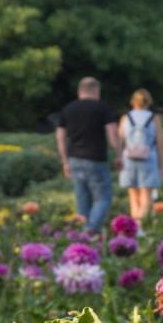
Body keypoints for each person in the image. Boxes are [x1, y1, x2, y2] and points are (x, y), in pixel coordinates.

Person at [56, 77, 121, 234]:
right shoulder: (102, 108)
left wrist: (65, 161)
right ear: (96, 90)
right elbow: (113, 134)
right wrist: (119, 154)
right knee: (103, 198)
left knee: (82, 202)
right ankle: (89, 231)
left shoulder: (68, 109)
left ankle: (82, 236)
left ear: (80, 90)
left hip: (74, 159)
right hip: (96, 159)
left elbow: (60, 136)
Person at [118, 89, 163, 234]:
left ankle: (133, 227)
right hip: (148, 159)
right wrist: (162, 164)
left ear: (133, 102)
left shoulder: (126, 118)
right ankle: (138, 226)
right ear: (149, 102)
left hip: (129, 159)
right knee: (146, 195)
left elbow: (120, 140)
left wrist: (119, 158)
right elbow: (160, 142)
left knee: (133, 196)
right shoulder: (154, 118)